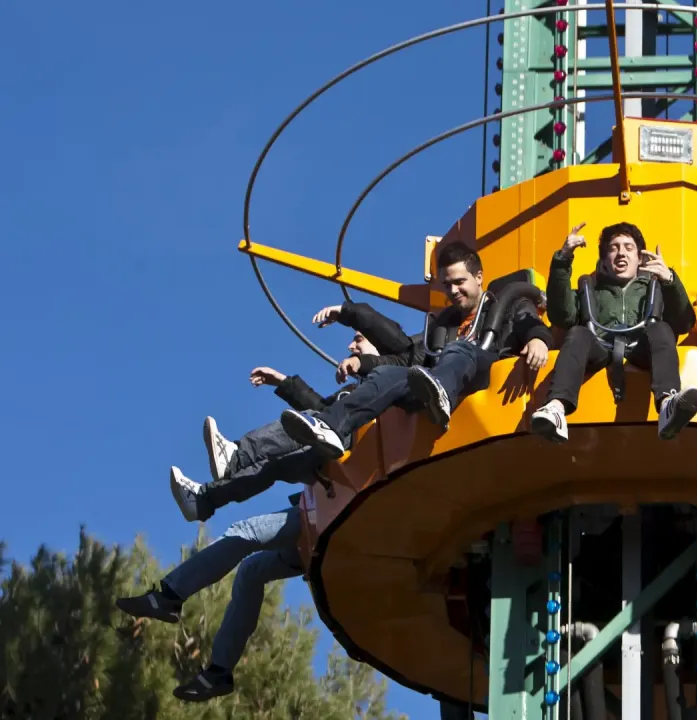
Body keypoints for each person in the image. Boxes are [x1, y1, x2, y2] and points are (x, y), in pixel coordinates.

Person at [281, 241, 553, 454]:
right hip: (439, 389)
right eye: (447, 285)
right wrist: (363, 364)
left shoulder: (506, 305)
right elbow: (410, 359)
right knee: (386, 375)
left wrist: (538, 339)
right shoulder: (443, 324)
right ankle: (330, 426)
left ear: (479, 277)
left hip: (488, 376)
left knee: (459, 350)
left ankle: (441, 390)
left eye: (460, 282)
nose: (453, 291)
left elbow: (532, 324)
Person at [171, 300, 417, 522]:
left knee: (311, 422)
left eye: (359, 339)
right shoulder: (359, 389)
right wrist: (283, 382)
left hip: (370, 445)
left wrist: (346, 312)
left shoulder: (400, 374)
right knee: (276, 463)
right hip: (338, 453)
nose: (351, 345)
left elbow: (387, 333)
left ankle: (237, 456)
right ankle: (204, 500)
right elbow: (326, 411)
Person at [116, 502, 307, 701]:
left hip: (319, 515)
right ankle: (219, 672)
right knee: (250, 571)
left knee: (244, 531)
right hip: (313, 532)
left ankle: (169, 596)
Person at [530, 221, 697, 442]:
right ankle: (556, 407)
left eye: (629, 248)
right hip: (599, 349)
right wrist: (563, 260)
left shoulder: (656, 288)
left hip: (641, 350)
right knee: (578, 333)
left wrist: (669, 280)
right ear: (604, 260)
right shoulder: (590, 289)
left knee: (661, 328)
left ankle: (668, 403)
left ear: (640, 258)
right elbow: (561, 315)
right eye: (614, 248)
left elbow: (684, 323)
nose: (621, 253)